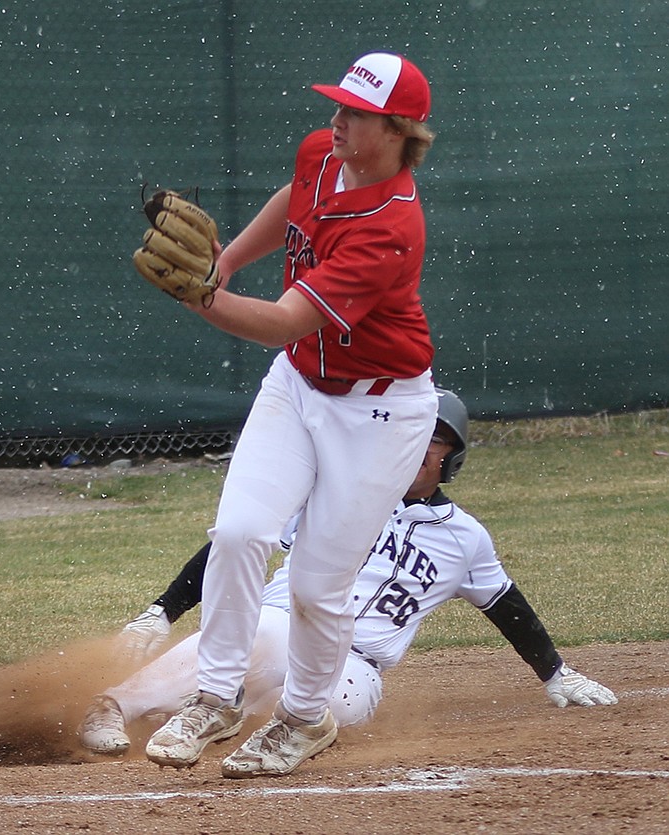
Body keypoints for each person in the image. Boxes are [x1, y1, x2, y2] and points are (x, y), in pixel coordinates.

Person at [142, 51, 443, 776]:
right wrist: (229, 260)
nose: (335, 120)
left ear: (398, 130)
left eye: (355, 113)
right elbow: (295, 197)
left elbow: (283, 321)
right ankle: (213, 698)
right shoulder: (322, 151)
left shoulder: (392, 226)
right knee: (242, 530)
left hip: (380, 415)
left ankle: (305, 718)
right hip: (299, 385)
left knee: (315, 584)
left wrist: (203, 299)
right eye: (337, 104)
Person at [82, 390, 617, 770]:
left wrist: (558, 674)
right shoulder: (338, 493)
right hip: (283, 619)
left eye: (436, 439)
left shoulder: (465, 538)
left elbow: (506, 605)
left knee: (325, 708)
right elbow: (241, 541)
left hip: (359, 665)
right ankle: (114, 707)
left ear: (452, 457)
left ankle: (222, 725)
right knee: (259, 636)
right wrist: (163, 610)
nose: (421, 446)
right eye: (414, 433)